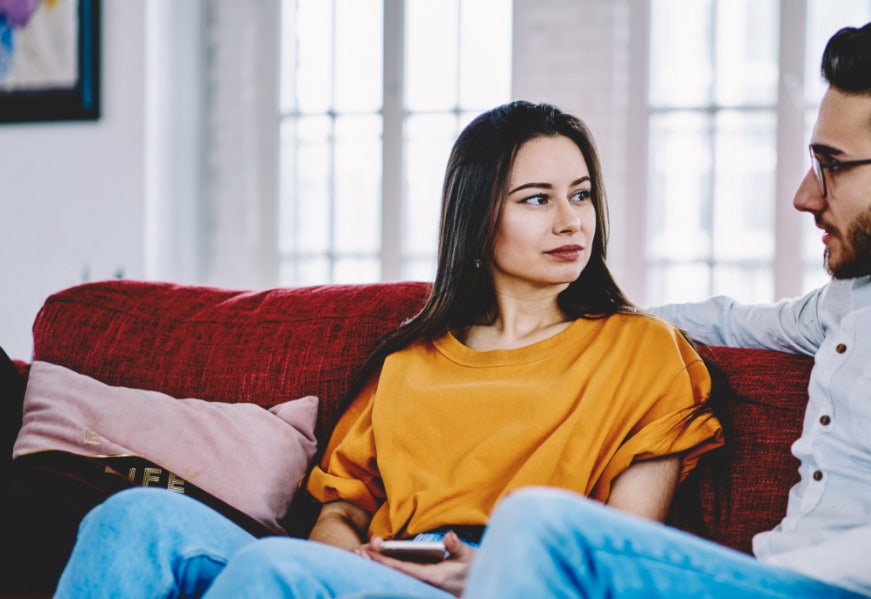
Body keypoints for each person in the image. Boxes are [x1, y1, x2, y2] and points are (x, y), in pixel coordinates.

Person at [460, 14, 871, 599]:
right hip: (769, 572)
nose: (805, 195)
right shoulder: (868, 290)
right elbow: (733, 322)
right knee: (359, 577)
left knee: (537, 523)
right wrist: (579, 315)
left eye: (831, 165)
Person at [53, 100, 723, 598]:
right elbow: (341, 510)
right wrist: (354, 561)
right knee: (133, 517)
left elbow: (625, 556)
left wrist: (492, 572)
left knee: (270, 567)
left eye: (580, 195)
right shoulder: (410, 364)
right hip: (379, 574)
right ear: (478, 215)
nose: (570, 220)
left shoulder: (642, 350)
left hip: (509, 582)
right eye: (537, 198)